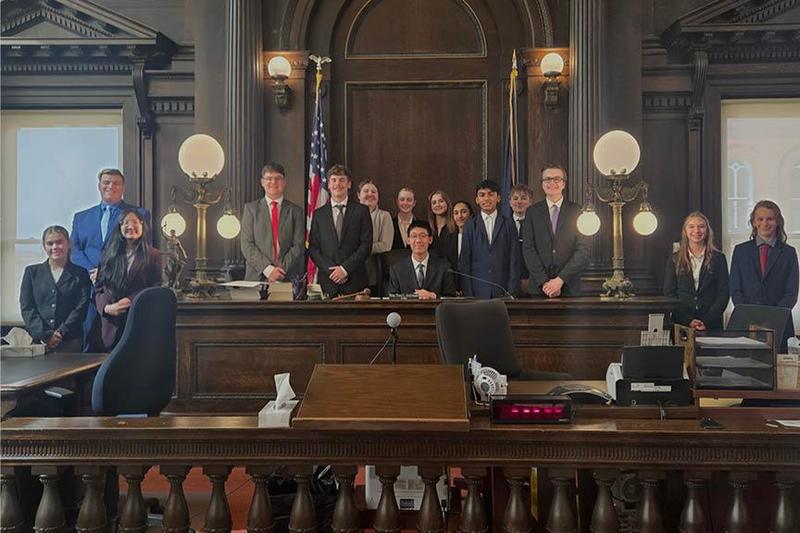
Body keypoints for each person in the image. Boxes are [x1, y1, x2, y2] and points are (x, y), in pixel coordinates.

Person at [730, 200, 798, 349]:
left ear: (778, 222)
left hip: (780, 325)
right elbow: (735, 289)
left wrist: (771, 318)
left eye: (770, 219)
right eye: (760, 219)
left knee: (779, 370)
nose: (765, 223)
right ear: (754, 222)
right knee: (746, 369)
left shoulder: (789, 253)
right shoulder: (740, 251)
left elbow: (791, 293)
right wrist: (752, 316)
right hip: (747, 324)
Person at [92, 208, 162, 351]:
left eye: (135, 222)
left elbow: (156, 287)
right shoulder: (108, 254)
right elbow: (99, 288)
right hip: (109, 326)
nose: (130, 227)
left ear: (142, 225)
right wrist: (106, 308)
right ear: (119, 227)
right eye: (125, 223)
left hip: (138, 322)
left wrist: (131, 300)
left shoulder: (154, 255)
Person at [70, 168, 151, 283]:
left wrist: (107, 273)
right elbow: (74, 250)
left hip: (122, 284)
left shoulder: (139, 215)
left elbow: (142, 250)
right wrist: (91, 271)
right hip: (86, 284)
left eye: (116, 183)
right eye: (106, 182)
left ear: (123, 188)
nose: (111, 186)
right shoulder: (81, 218)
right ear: (99, 186)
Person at [19, 226, 91, 353]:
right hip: (39, 343)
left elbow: (82, 306)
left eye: (59, 242)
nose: (55, 247)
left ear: (68, 244)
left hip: (71, 342)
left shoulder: (81, 274)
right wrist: (45, 334)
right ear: (44, 246)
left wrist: (61, 332)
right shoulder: (32, 273)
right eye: (50, 243)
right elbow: (27, 307)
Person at [521, 165, 589, 298]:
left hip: (569, 287)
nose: (552, 182)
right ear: (542, 184)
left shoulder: (578, 211)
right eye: (547, 179)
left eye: (557, 179)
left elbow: (583, 250)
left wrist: (560, 280)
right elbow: (528, 249)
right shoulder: (532, 212)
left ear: (563, 184)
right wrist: (545, 282)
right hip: (539, 288)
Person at [309, 164, 373, 298]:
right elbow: (314, 249)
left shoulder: (362, 211)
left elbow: (366, 245)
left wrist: (344, 269)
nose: (337, 184)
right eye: (334, 180)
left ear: (349, 184)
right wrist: (332, 272)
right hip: (328, 281)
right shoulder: (318, 214)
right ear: (328, 185)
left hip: (355, 281)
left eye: (342, 180)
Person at [663, 212, 729, 331]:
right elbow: (669, 294)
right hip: (682, 324)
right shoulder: (674, 259)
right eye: (691, 226)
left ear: (707, 230)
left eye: (701, 226)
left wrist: (707, 320)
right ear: (685, 231)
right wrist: (688, 320)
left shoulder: (719, 259)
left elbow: (723, 294)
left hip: (711, 324)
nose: (696, 230)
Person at [241, 163, 305, 283]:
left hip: (287, 277)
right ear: (262, 182)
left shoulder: (296, 211)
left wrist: (280, 270)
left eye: (278, 178)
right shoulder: (251, 210)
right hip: (257, 276)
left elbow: (298, 245)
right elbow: (247, 244)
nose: (273, 182)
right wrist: (268, 269)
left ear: (284, 182)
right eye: (269, 178)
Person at [459, 179, 520, 298]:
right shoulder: (470, 225)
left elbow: (514, 260)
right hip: (477, 291)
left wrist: (512, 291)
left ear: (498, 198)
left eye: (491, 194)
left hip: (503, 290)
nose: (486, 199)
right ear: (477, 200)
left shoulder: (508, 224)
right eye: (482, 195)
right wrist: (469, 293)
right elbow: (465, 262)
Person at [388, 220, 456, 299]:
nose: (418, 240)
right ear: (408, 240)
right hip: (406, 311)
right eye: (414, 236)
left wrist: (434, 296)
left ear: (430, 239)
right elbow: (392, 298)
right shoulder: (396, 269)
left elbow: (451, 298)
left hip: (435, 310)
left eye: (423, 236)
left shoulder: (444, 267)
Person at [358, 180, 394, 294]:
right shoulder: (350, 215)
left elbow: (386, 245)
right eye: (366, 191)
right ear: (358, 195)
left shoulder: (384, 216)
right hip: (349, 271)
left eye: (374, 191)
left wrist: (359, 250)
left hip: (372, 271)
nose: (370, 194)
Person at [509, 184, 534, 295]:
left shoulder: (537, 224)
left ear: (530, 201)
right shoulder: (503, 225)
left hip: (532, 280)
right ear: (510, 202)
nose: (519, 202)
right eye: (515, 198)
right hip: (509, 281)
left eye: (524, 198)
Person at [427, 190, 456, 255]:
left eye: (441, 201)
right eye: (434, 203)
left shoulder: (456, 227)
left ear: (447, 203)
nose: (438, 205)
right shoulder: (428, 228)